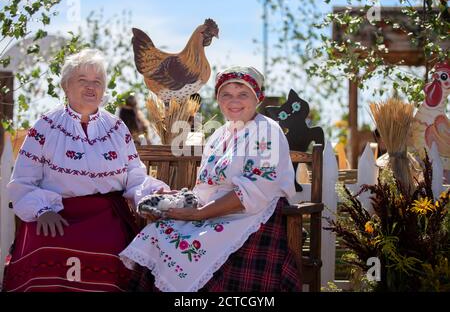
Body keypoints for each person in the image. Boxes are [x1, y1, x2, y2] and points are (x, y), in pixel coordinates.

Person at [120, 66, 301, 292]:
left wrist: (199, 214)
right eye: (226, 94)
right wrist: (177, 200)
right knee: (159, 232)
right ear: (218, 99)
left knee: (196, 249)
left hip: (252, 215)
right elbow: (205, 188)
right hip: (216, 213)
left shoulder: (268, 131)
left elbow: (256, 189)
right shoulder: (219, 135)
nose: (234, 101)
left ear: (258, 98)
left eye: (243, 94)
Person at [2, 49, 170, 292]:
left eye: (97, 82)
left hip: (105, 215)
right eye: (82, 81)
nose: (91, 87)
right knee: (44, 244)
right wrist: (42, 211)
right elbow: (23, 180)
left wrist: (152, 196)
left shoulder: (116, 128)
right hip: (55, 212)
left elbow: (135, 177)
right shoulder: (45, 126)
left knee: (110, 246)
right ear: (65, 86)